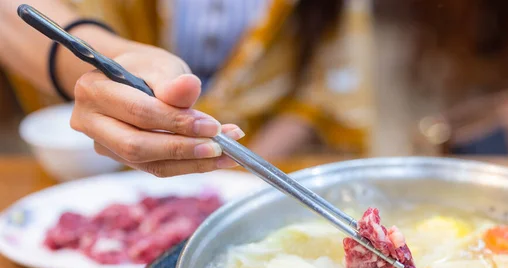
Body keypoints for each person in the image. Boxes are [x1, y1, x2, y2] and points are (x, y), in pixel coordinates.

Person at [0, 0, 375, 177]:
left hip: (265, 159)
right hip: (111, 162)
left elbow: (328, 86)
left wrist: (236, 171)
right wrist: (116, 57)